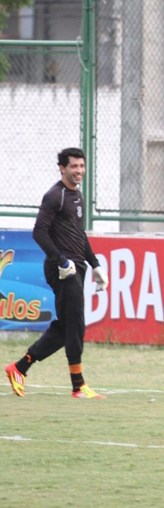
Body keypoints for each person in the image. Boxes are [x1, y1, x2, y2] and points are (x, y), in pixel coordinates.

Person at [4, 148, 109, 399]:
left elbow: (79, 235)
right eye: (74, 166)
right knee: (76, 326)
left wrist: (95, 265)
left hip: (77, 267)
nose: (79, 171)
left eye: (82, 166)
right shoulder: (54, 196)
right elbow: (39, 232)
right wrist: (61, 260)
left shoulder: (77, 196)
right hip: (62, 269)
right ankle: (78, 386)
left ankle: (20, 367)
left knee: (65, 327)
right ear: (62, 168)